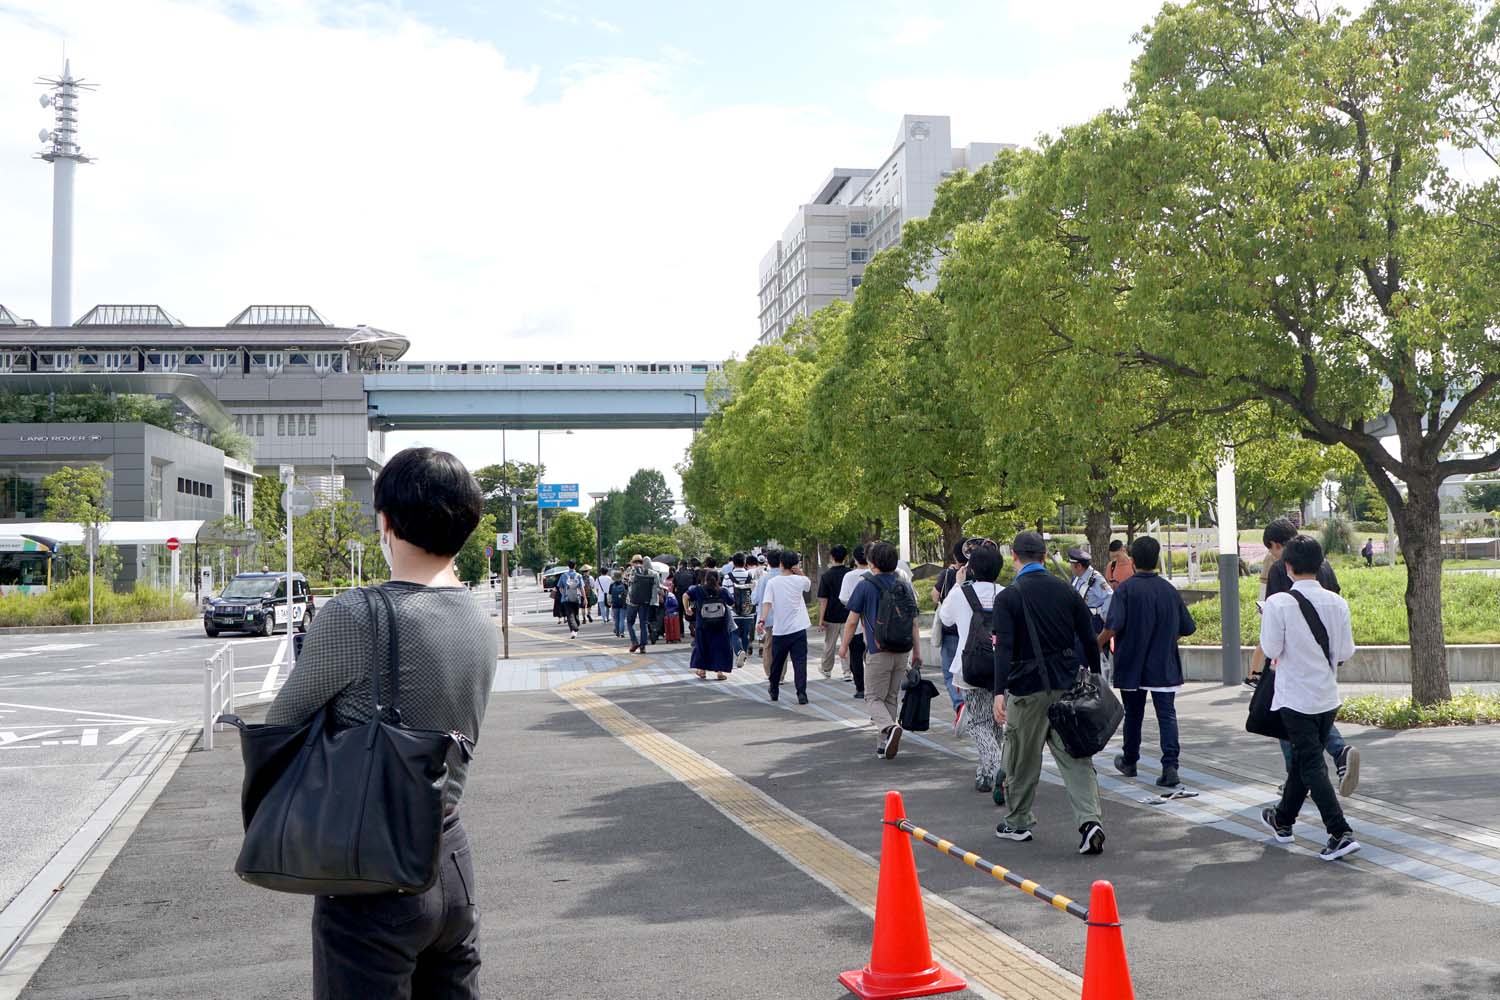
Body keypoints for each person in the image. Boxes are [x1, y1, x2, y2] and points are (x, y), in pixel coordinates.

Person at [266, 447, 496, 998]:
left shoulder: (357, 614)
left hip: (373, 870)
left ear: (385, 521)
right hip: (452, 860)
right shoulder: (481, 619)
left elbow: (280, 726)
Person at [990, 531, 1106, 854]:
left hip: (1027, 691)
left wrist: (1000, 692)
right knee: (1075, 757)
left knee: (1021, 758)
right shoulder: (1066, 592)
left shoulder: (1008, 598)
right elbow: (1088, 637)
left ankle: (1018, 822)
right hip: (1067, 687)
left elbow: (1004, 649)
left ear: (1014, 556)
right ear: (1044, 556)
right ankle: (1089, 821)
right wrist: (1094, 677)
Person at [1257, 535, 1362, 861]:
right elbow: (1345, 651)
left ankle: (1339, 831)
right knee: (1304, 762)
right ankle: (1283, 820)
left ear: (1287, 566)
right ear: (1320, 565)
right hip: (1327, 696)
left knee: (1312, 764)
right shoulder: (1337, 602)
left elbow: (1271, 650)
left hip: (1294, 698)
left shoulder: (1278, 604)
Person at [1097, 536, 1195, 789]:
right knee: (1167, 715)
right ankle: (1170, 767)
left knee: (1134, 714)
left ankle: (1130, 761)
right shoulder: (1168, 590)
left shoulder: (1126, 590)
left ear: (1133, 558)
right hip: (1164, 663)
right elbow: (1188, 626)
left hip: (1132, 662)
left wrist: (1095, 644)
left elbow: (1113, 626)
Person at [841, 541, 922, 759]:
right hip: (903, 649)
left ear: (872, 563)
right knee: (891, 697)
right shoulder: (904, 583)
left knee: (872, 697)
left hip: (878, 651)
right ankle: (882, 744)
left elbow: (851, 622)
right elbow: (914, 622)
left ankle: (889, 728)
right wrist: (917, 652)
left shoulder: (865, 585)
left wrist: (843, 647)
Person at [937, 542, 1005, 795]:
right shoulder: (1007, 593)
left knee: (978, 722)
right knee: (996, 721)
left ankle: (997, 766)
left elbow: (945, 619)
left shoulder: (960, 593)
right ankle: (986, 773)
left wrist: (956, 583)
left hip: (971, 666)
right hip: (1001, 666)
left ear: (971, 568)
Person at [760, 549, 812, 703]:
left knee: (777, 662)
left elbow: (767, 603)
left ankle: (774, 689)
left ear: (781, 564)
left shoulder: (773, 582)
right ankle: (801, 693)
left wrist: (762, 620)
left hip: (780, 630)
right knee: (800, 662)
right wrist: (799, 571)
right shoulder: (799, 580)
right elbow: (808, 584)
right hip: (798, 628)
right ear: (794, 564)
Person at [931, 542, 968, 731]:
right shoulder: (980, 571)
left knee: (949, 673)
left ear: (955, 556)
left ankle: (959, 704)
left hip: (951, 631)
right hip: (973, 632)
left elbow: (935, 596)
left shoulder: (948, 574)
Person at [837, 545, 871, 699]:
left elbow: (843, 598)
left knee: (856, 657)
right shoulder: (874, 573)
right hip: (873, 624)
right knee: (872, 657)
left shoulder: (849, 576)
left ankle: (860, 688)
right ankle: (873, 686)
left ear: (855, 559)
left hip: (855, 623)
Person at [688, 570, 735, 680]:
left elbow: (685, 595)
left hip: (703, 624)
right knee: (720, 648)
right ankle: (719, 672)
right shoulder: (723, 591)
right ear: (718, 579)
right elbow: (732, 602)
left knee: (702, 646)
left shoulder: (698, 590)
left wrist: (687, 609)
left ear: (705, 578)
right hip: (720, 625)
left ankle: (702, 670)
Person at [817, 545, 853, 681]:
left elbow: (823, 600)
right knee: (847, 643)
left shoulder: (826, 576)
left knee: (829, 644)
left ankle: (826, 669)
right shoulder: (849, 574)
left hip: (831, 616)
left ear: (832, 557)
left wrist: (821, 620)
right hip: (848, 615)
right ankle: (847, 671)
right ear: (846, 557)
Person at [624, 554, 659, 654]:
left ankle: (634, 642)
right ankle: (643, 646)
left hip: (632, 601)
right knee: (643, 623)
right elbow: (656, 583)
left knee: (630, 622)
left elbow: (624, 582)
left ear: (633, 562)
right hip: (645, 601)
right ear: (642, 562)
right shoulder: (650, 572)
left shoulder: (630, 571)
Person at [728, 553, 757, 667]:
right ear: (744, 563)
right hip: (748, 611)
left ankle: (739, 651)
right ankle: (743, 658)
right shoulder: (750, 575)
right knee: (745, 635)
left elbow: (726, 594)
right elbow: (754, 593)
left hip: (733, 612)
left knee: (734, 634)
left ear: (733, 563)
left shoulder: (727, 576)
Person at [556, 560, 585, 639]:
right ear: (575, 566)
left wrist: (564, 594)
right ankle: (575, 629)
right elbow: (581, 588)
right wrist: (584, 598)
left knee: (569, 615)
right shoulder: (578, 576)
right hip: (576, 598)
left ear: (568, 566)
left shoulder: (563, 576)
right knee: (576, 614)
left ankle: (573, 630)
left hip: (566, 599)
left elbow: (560, 587)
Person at [674, 560, 698, 636]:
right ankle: (693, 626)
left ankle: (681, 632)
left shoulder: (677, 574)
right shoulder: (692, 573)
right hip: (691, 596)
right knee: (692, 612)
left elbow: (674, 585)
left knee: (680, 614)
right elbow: (695, 584)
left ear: (680, 565)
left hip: (680, 596)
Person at [608, 571, 628, 637]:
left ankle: (617, 632)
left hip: (615, 603)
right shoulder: (624, 584)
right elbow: (627, 594)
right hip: (623, 603)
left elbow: (610, 595)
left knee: (616, 619)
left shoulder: (612, 585)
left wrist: (609, 602)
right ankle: (622, 632)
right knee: (622, 618)